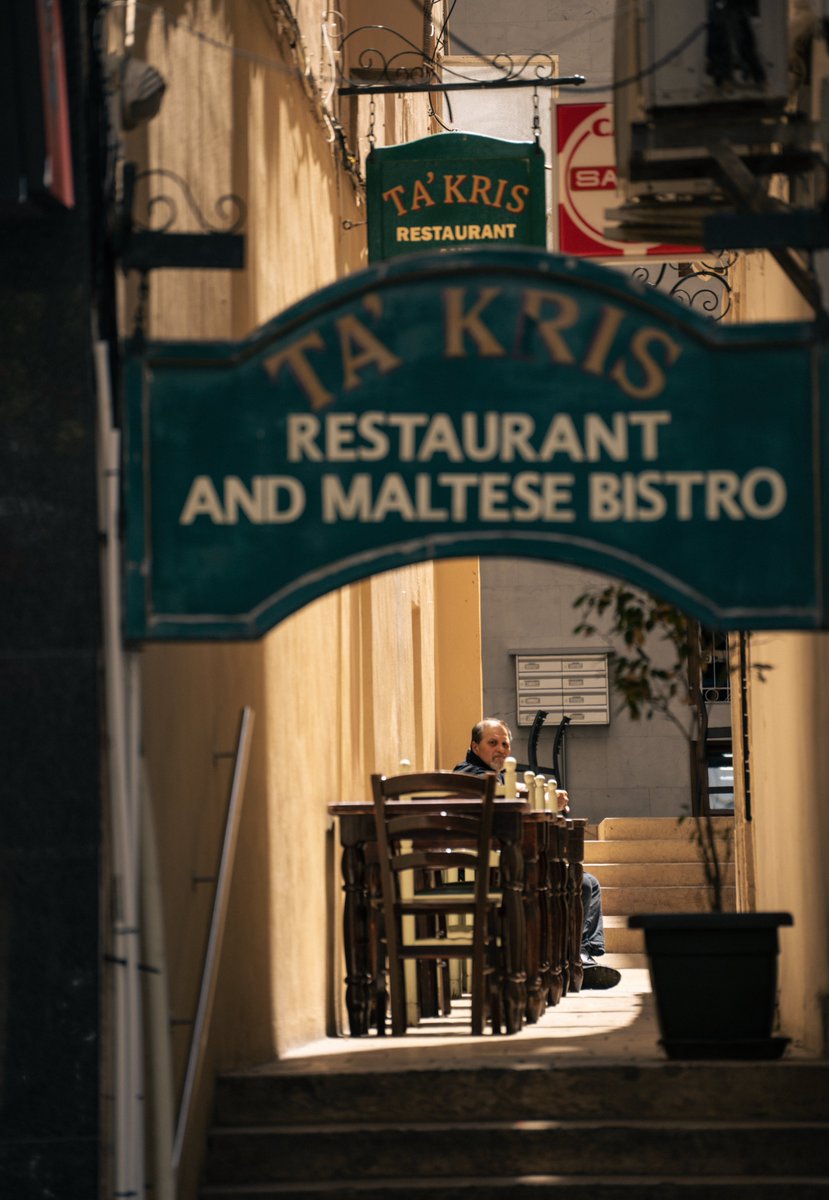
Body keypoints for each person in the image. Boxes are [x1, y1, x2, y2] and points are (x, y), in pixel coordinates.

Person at [454, 718, 621, 990]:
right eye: (492, 742)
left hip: (514, 862)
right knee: (580, 883)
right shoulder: (466, 772)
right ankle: (573, 958)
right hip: (489, 870)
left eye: (505, 743)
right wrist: (539, 794)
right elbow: (492, 790)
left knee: (586, 882)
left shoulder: (503, 778)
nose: (500, 748)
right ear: (474, 746)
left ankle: (580, 957)